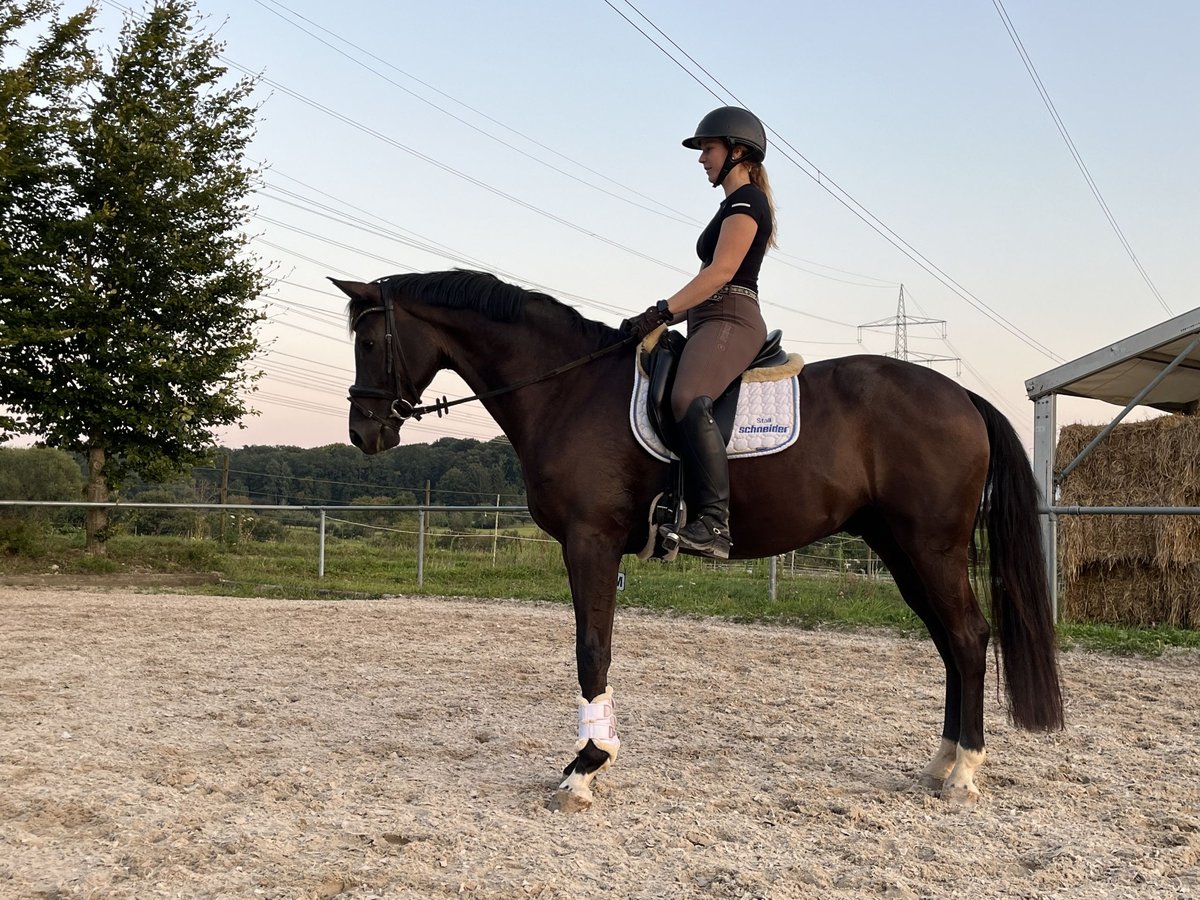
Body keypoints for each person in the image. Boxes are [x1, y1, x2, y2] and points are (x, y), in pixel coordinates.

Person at [621, 106, 777, 560]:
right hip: (709, 319)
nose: (701, 158)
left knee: (687, 397)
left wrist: (662, 311)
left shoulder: (748, 201)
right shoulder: (730, 205)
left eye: (707, 148)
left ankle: (714, 523)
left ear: (738, 151)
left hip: (732, 318)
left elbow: (723, 272)